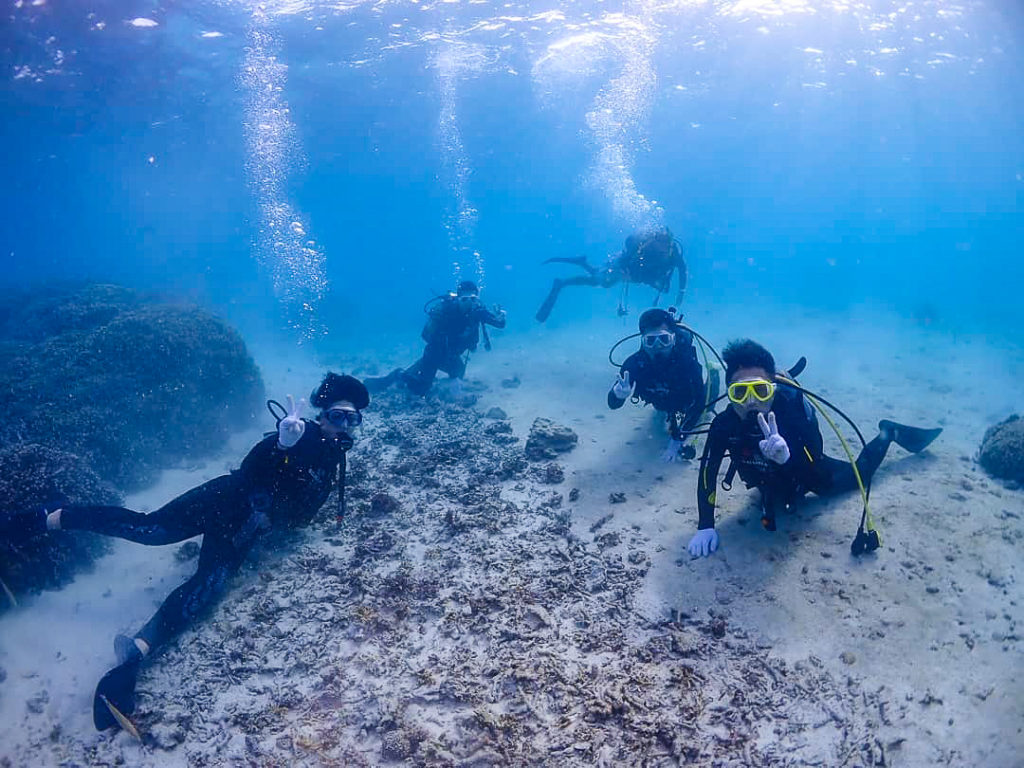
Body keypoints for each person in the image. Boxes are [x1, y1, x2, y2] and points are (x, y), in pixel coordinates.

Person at [0, 372, 370, 731]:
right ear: (321, 414)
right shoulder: (297, 434)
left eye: (351, 420)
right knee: (148, 530)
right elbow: (251, 469)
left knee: (209, 585)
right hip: (222, 499)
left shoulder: (333, 457)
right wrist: (281, 445)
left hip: (244, 528)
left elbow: (301, 513)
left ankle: (133, 657)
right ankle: (51, 516)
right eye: (336, 416)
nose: (343, 426)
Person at [687, 340, 942, 557]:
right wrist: (705, 525)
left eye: (760, 390)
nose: (751, 401)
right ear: (730, 394)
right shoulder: (724, 425)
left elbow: (813, 473)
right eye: (740, 392)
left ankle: (888, 433)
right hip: (765, 480)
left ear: (773, 391)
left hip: (807, 474)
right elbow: (708, 472)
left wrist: (786, 459)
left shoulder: (793, 415)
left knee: (859, 475)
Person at [608, 308, 717, 462]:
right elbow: (612, 404)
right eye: (651, 340)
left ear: (673, 339)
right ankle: (668, 414)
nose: (658, 346)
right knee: (662, 409)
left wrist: (678, 439)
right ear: (643, 340)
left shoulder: (687, 364)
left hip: (685, 401)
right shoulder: (634, 365)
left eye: (664, 339)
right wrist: (617, 396)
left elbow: (698, 404)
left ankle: (714, 374)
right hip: (662, 402)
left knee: (708, 408)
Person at [366, 280, 506, 397]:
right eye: (464, 299)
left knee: (458, 374)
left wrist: (501, 316)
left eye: (473, 299)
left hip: (452, 355)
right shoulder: (446, 311)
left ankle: (417, 372)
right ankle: (399, 375)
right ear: (458, 298)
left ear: (477, 299)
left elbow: (499, 324)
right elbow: (426, 336)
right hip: (434, 355)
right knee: (420, 391)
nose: (469, 303)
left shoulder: (478, 311)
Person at [536, 226, 687, 323]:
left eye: (667, 242)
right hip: (625, 269)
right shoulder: (644, 248)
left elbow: (682, 269)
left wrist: (681, 291)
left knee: (600, 280)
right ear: (655, 240)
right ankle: (565, 279)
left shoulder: (673, 253)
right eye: (661, 241)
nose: (665, 246)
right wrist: (625, 274)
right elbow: (626, 259)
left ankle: (582, 264)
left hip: (640, 276)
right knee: (600, 281)